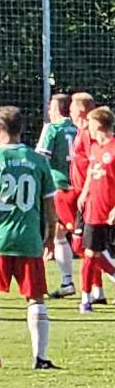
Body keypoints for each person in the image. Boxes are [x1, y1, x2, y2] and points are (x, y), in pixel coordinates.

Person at [0, 106, 61, 370]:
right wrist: (50, 236)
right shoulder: (38, 161)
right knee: (35, 298)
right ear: (21, 128)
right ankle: (40, 357)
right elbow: (50, 206)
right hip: (29, 239)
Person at [69, 93, 115, 307]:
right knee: (89, 252)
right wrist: (85, 193)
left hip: (110, 208)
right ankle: (86, 298)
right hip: (95, 210)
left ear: (98, 125)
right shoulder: (95, 147)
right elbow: (90, 172)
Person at [36, 93, 77, 297]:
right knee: (61, 234)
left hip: (61, 187)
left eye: (51, 107)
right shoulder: (78, 127)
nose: (48, 111)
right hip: (80, 185)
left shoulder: (52, 128)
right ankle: (67, 283)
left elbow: (41, 157)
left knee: (83, 239)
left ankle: (102, 280)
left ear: (57, 109)